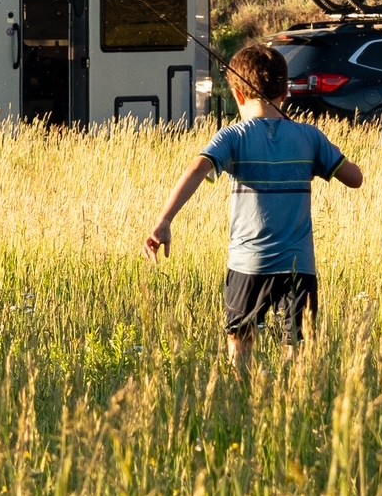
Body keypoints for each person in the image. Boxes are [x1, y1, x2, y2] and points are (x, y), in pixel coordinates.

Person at [145, 44, 364, 371]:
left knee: (240, 341)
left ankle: (242, 390)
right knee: (298, 345)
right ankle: (293, 395)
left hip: (248, 263)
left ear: (237, 94)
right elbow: (355, 178)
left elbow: (197, 168)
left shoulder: (233, 137)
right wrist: (317, 148)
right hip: (298, 267)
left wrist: (164, 221)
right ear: (285, 93)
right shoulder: (309, 138)